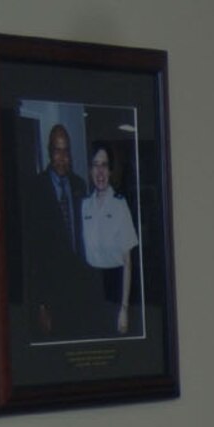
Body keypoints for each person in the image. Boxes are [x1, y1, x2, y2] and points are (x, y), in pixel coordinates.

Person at [21, 122, 92, 338]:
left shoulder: (79, 185)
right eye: (57, 150)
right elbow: (32, 253)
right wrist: (41, 305)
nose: (63, 157)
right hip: (51, 294)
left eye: (66, 150)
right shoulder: (35, 189)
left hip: (79, 291)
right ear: (49, 151)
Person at [80, 140, 140, 336]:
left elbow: (128, 262)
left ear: (110, 170)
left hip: (115, 287)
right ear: (90, 170)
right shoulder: (84, 206)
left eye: (104, 165)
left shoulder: (120, 206)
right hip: (90, 288)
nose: (100, 172)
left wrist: (124, 309)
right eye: (95, 165)